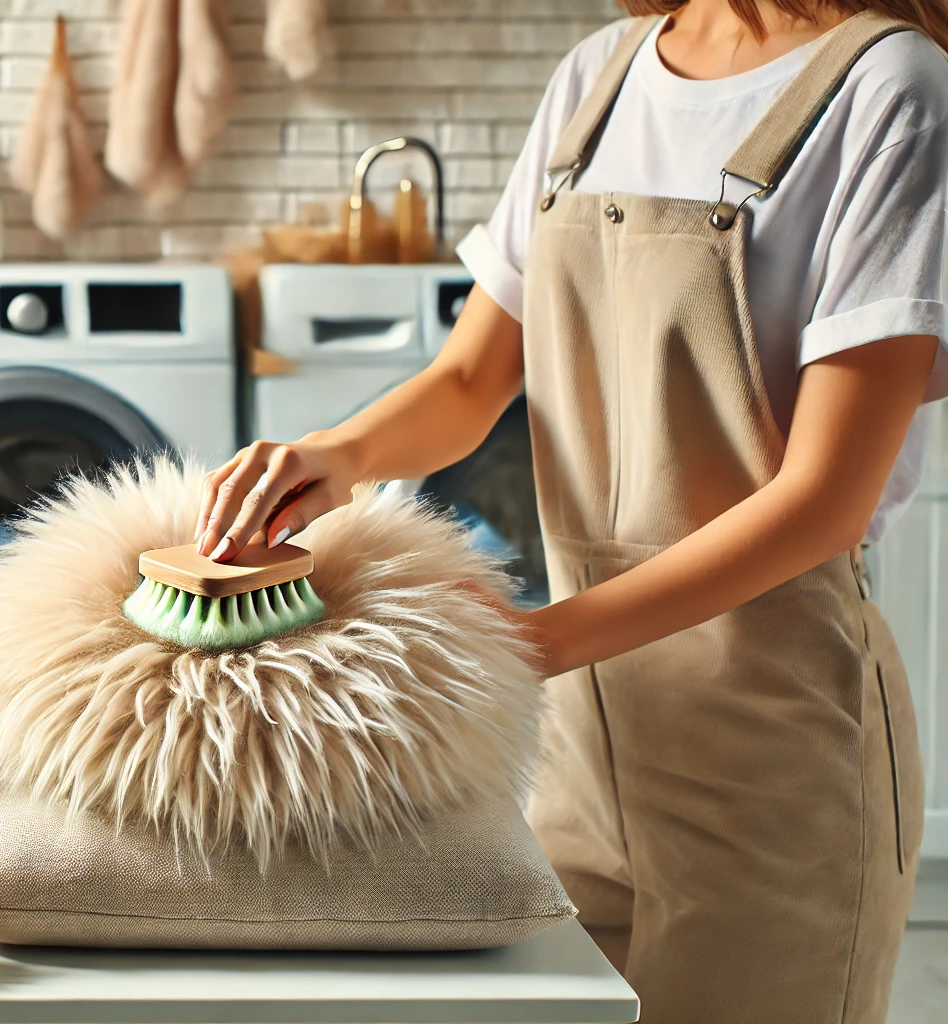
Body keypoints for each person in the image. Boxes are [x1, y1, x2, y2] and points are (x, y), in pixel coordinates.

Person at [194, 2, 945, 1021]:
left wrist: (528, 643)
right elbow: (469, 379)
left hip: (775, 771)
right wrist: (341, 453)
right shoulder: (598, 80)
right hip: (579, 763)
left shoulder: (892, 92)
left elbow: (820, 501)